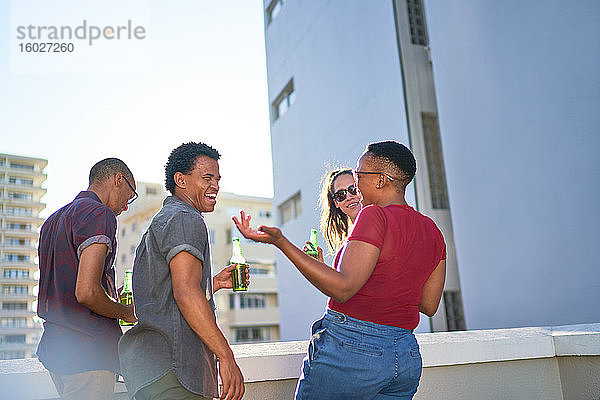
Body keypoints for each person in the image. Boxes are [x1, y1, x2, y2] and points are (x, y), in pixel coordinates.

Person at [233, 141, 446, 400]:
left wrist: (281, 242)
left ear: (380, 180)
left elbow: (343, 289)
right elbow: (429, 304)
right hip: (405, 356)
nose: (356, 184)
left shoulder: (374, 216)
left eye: (359, 176)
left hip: (353, 349)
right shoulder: (433, 230)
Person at [118, 142, 245, 400]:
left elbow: (163, 293)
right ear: (181, 180)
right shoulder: (185, 218)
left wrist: (213, 284)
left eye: (218, 179)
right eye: (207, 177)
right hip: (174, 374)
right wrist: (226, 356)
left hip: (152, 372)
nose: (216, 185)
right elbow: (186, 293)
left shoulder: (165, 218)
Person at [37, 158, 138, 400]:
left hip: (56, 349)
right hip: (88, 351)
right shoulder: (99, 213)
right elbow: (86, 292)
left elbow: (68, 282)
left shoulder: (53, 220)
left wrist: (111, 292)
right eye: (130, 196)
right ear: (118, 179)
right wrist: (125, 312)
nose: (127, 206)